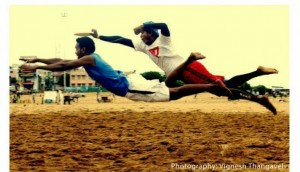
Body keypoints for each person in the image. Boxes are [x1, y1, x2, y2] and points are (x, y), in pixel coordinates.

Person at [89, 22, 278, 114]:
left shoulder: (164, 39)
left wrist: (144, 24)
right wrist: (100, 37)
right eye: (142, 35)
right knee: (223, 85)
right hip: (181, 72)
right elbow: (121, 40)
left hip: (189, 68)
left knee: (221, 89)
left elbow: (163, 24)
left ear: (150, 33)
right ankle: (258, 74)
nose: (142, 37)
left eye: (145, 34)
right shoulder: (142, 46)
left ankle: (258, 97)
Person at [20, 37, 232, 103]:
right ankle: (208, 85)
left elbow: (64, 65)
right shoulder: (89, 58)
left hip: (129, 86)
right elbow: (61, 60)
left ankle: (210, 85)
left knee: (172, 94)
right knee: (171, 91)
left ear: (83, 49)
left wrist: (37, 67)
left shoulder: (89, 59)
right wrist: (38, 58)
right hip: (129, 81)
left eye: (77, 48)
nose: (74, 51)